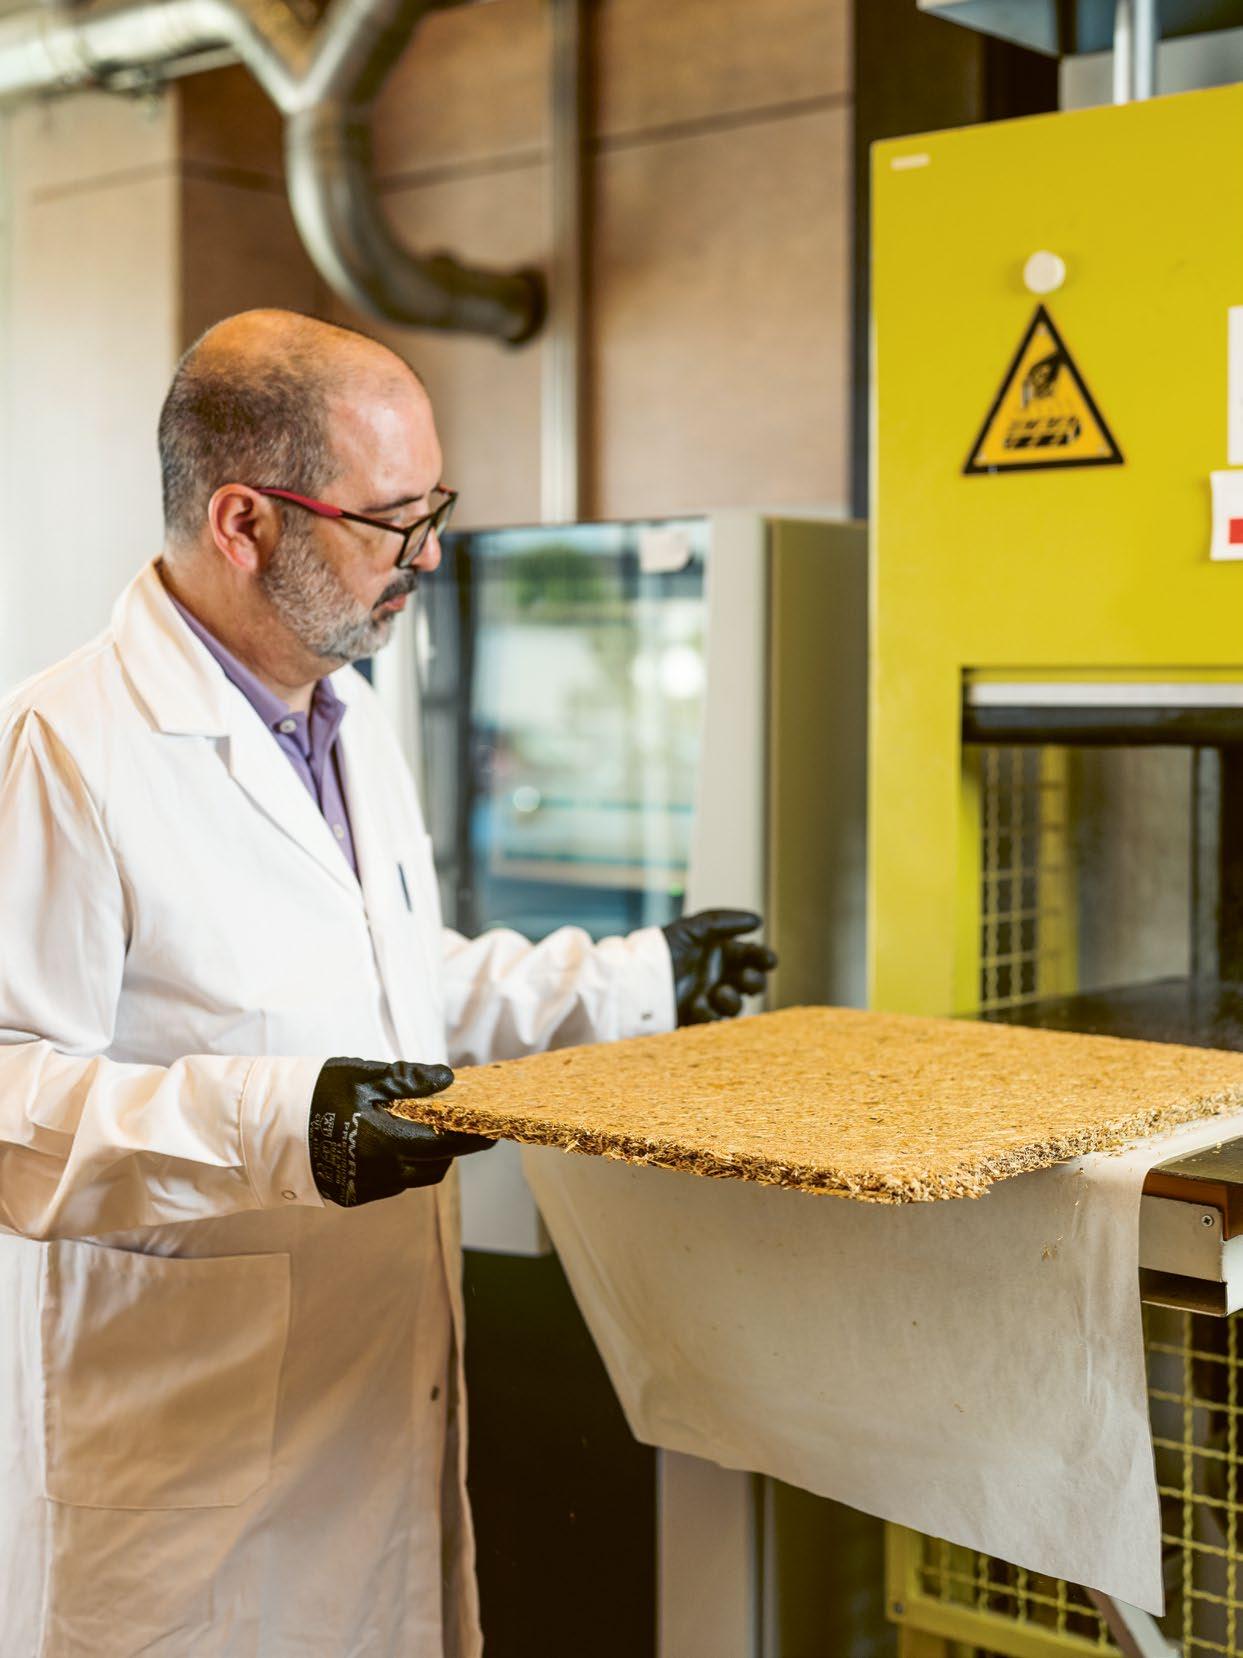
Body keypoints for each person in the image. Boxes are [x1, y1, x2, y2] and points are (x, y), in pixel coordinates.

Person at [0, 309, 776, 1657]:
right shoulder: (67, 749)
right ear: (244, 523)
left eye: (436, 511)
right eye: (393, 520)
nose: (429, 556)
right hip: (180, 1478)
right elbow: (15, 1098)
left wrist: (633, 982)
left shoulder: (343, 715)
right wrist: (284, 1124)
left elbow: (386, 979)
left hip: (364, 1426)